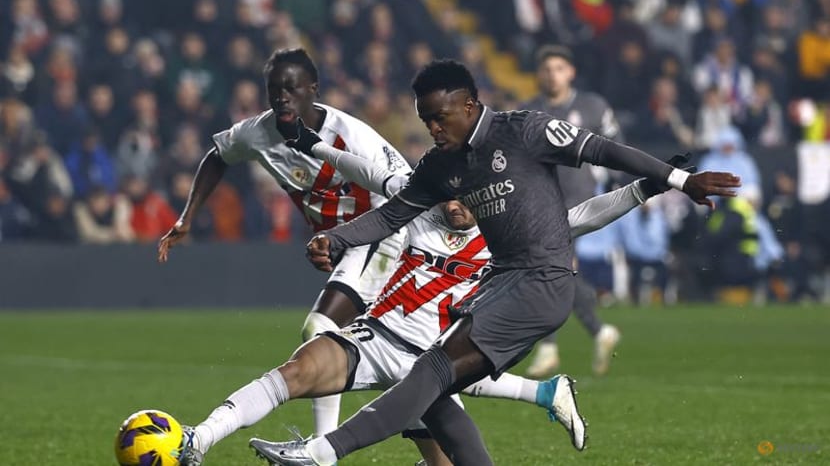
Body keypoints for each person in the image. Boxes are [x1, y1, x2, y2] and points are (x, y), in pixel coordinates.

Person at [250, 59, 740, 466]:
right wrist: (336, 238)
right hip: (501, 284)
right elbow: (392, 213)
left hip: (542, 283)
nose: (433, 128)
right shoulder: (441, 165)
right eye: (426, 120)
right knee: (434, 397)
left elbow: (601, 149)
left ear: (469, 105)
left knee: (429, 373)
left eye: (440, 117)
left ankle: (321, 453)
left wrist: (675, 180)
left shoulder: (525, 131)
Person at [181, 119, 678, 466]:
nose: (456, 205)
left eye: (466, 196)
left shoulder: (513, 231)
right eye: (450, 194)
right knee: (294, 370)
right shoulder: (418, 198)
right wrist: (316, 147)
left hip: (433, 370)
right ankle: (198, 440)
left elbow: (585, 216)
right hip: (376, 337)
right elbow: (364, 169)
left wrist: (644, 189)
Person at [156, 48, 411, 440]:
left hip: (384, 233)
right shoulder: (258, 132)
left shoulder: (351, 136)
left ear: (313, 89)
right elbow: (218, 155)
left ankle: (321, 450)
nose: (282, 97)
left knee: (323, 327)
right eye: (274, 89)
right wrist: (187, 217)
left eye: (292, 89)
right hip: (343, 245)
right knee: (408, 353)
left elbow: (404, 192)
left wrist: (347, 239)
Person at [520, 44, 623, 377]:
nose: (553, 75)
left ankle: (549, 347)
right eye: (547, 69)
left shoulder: (592, 106)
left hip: (577, 201)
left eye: (559, 68)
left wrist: (619, 184)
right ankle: (598, 330)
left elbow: (616, 146)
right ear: (539, 74)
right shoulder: (528, 111)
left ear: (571, 72)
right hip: (539, 201)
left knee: (544, 267)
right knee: (554, 270)